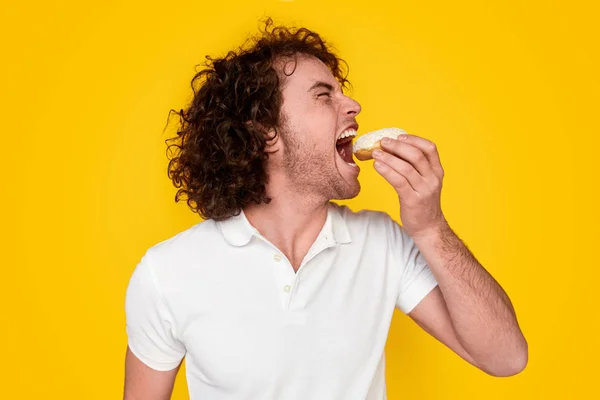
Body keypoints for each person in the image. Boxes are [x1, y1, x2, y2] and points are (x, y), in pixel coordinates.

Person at [123, 18, 528, 400]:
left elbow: (506, 358)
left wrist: (430, 228)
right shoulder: (167, 272)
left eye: (342, 91)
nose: (352, 105)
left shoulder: (381, 243)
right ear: (267, 132)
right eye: (324, 95)